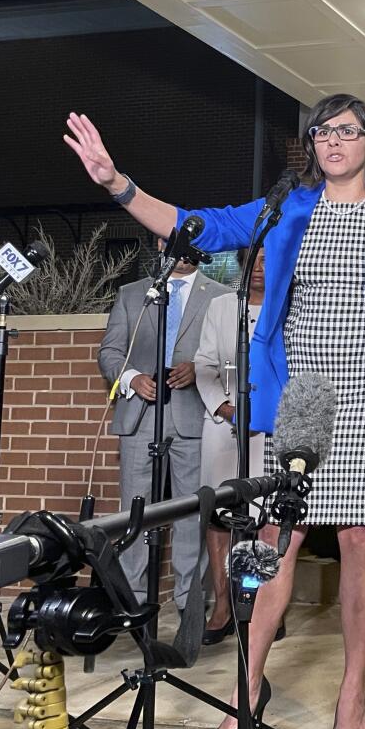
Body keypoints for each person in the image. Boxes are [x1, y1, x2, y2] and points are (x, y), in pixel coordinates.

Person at [65, 93, 365, 729]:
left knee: (360, 539)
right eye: (322, 131)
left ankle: (352, 692)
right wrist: (114, 181)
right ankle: (245, 691)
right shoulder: (286, 209)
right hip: (302, 392)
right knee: (278, 538)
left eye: (346, 131)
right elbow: (196, 227)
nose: (332, 141)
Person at [97, 240, 226, 617]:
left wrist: (201, 369)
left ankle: (190, 604)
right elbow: (109, 352)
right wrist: (133, 378)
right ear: (159, 245)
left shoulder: (220, 297)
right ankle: (131, 604)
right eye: (172, 244)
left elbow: (233, 354)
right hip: (140, 418)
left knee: (193, 513)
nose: (182, 252)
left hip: (195, 418)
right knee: (134, 512)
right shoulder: (132, 293)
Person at [194, 249, 268, 646]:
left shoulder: (288, 305)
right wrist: (226, 409)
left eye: (270, 260)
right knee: (219, 515)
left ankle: (259, 606)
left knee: (262, 518)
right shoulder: (222, 306)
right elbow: (204, 362)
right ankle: (222, 605)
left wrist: (263, 414)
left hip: (269, 427)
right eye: (255, 259)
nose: (260, 267)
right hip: (223, 423)